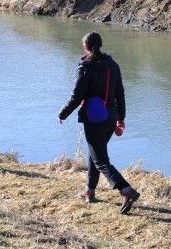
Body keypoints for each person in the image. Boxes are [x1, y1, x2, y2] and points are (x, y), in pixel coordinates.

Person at [58, 32, 140, 214]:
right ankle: (90, 190)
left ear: (85, 47)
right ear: (100, 46)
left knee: (101, 160)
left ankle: (125, 190)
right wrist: (121, 117)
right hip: (111, 116)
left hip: (94, 118)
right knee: (96, 153)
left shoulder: (85, 68)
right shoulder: (113, 65)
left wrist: (62, 114)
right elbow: (121, 93)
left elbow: (76, 97)